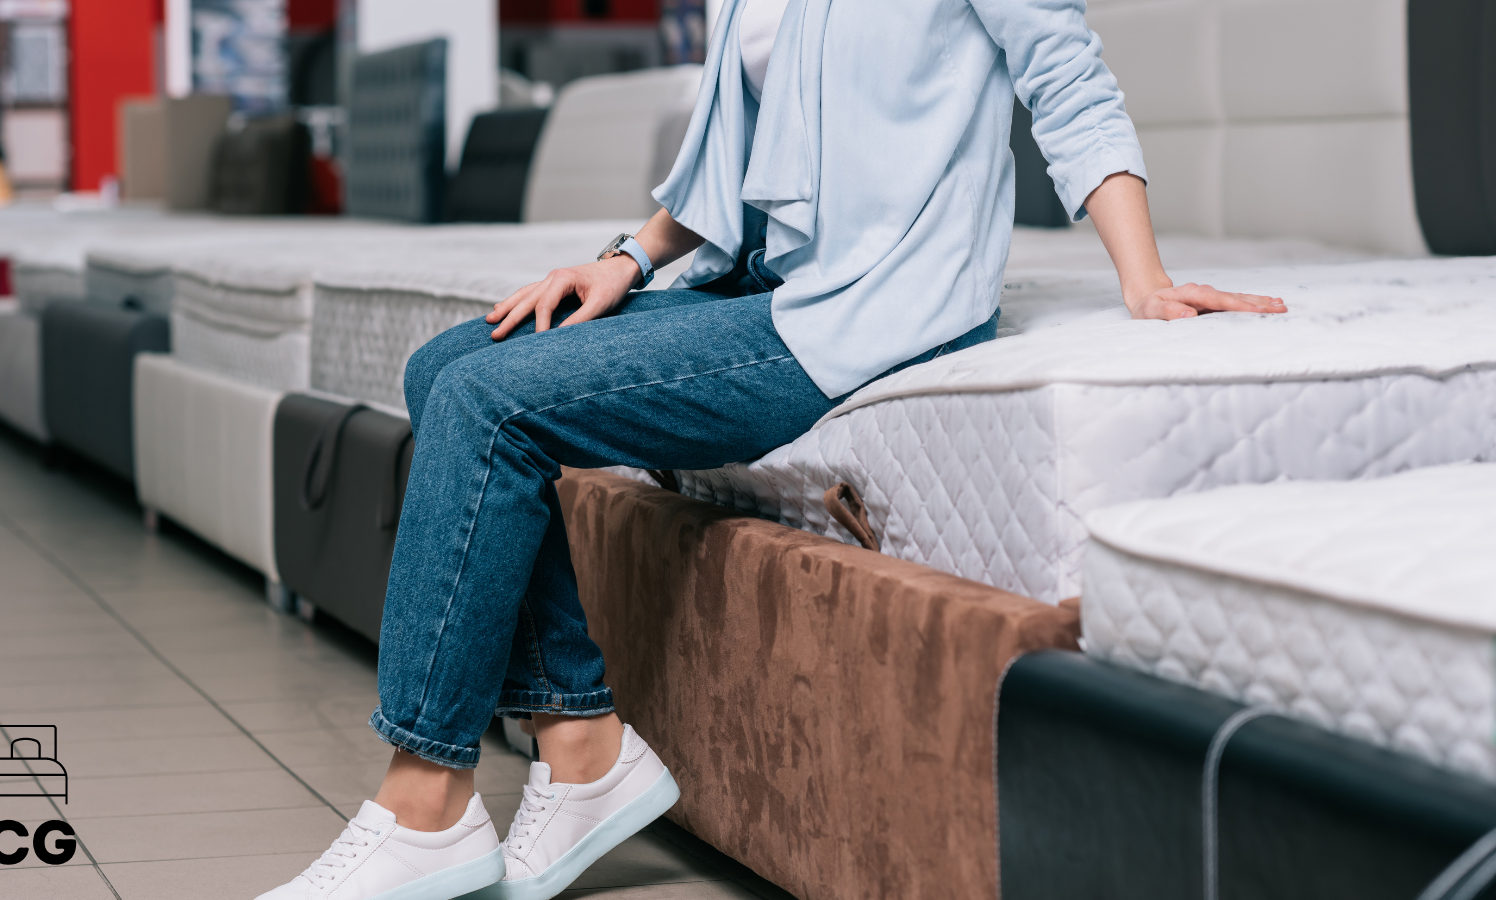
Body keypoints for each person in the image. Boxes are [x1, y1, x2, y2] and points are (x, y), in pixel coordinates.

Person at [260, 0, 1284, 897]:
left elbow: (1066, 78)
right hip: (755, 280)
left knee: (488, 404)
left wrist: (1144, 280)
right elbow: (728, 149)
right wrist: (625, 257)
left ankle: (425, 801)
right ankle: (579, 747)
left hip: (870, 308)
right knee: (449, 368)